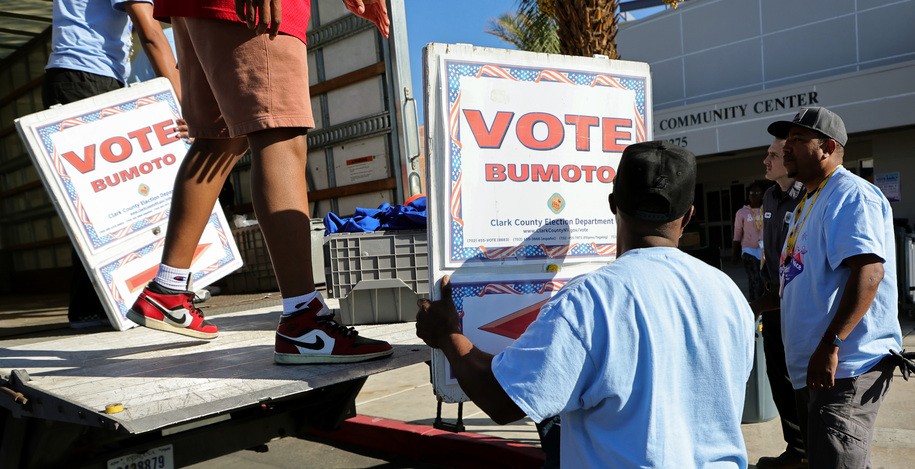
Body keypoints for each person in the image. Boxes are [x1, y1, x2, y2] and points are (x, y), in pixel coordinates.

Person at [417, 141, 755, 467]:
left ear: (612, 202)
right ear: (690, 214)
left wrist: (447, 335)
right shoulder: (730, 295)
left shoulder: (591, 300)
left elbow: (503, 400)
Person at [127, 0, 394, 364]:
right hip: (248, 9)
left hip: (196, 8)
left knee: (220, 140)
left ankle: (169, 288)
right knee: (279, 132)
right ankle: (304, 320)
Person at [766, 107, 902, 468]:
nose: (787, 147)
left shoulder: (850, 195)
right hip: (815, 367)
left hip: (846, 366)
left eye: (797, 140)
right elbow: (802, 277)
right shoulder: (808, 201)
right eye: (786, 140)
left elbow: (869, 272)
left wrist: (830, 345)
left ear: (827, 147)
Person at [44, 0, 182, 328]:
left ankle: (102, 302)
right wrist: (182, 102)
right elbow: (149, 32)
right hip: (88, 76)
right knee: (98, 203)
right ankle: (91, 308)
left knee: (98, 199)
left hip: (78, 76)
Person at [753, 138, 807, 469]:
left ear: (790, 158)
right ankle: (797, 449)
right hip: (774, 295)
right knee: (778, 375)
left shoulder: (808, 196)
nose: (766, 160)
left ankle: (814, 449)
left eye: (773, 155)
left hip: (800, 298)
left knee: (801, 376)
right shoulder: (770, 195)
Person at [732, 181, 765, 300]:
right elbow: (737, 233)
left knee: (762, 279)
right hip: (748, 250)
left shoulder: (767, 209)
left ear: (762, 195)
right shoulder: (742, 212)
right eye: (752, 193)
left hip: (764, 250)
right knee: (754, 277)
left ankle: (760, 304)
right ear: (748, 195)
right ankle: (754, 304)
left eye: (757, 193)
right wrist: (734, 254)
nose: (754, 195)